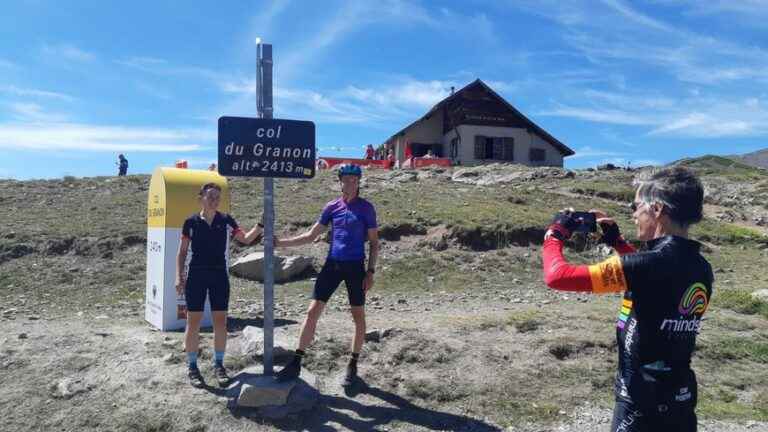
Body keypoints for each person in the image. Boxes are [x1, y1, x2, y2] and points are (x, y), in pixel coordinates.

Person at [541, 166, 713, 432]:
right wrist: (617, 242)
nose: (633, 214)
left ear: (656, 210)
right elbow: (652, 279)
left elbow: (557, 276)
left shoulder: (645, 265)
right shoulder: (701, 266)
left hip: (639, 402)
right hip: (681, 398)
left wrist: (554, 235)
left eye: (636, 206)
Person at [274, 163, 379, 386]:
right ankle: (296, 361)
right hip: (332, 265)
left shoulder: (366, 208)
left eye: (354, 180)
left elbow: (375, 243)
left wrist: (370, 272)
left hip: (355, 268)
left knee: (358, 316)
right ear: (340, 182)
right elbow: (311, 235)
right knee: (312, 311)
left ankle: (352, 364)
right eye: (346, 179)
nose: (350, 183)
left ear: (359, 182)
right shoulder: (332, 207)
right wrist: (280, 243)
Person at [175, 183, 264, 388]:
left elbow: (246, 239)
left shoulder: (226, 220)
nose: (214, 200)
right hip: (196, 274)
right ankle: (192, 367)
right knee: (193, 322)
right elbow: (181, 253)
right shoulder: (191, 222)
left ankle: (219, 365)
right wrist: (179, 277)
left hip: (218, 275)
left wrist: (260, 225)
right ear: (201, 198)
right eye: (210, 197)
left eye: (217, 197)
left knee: (220, 323)